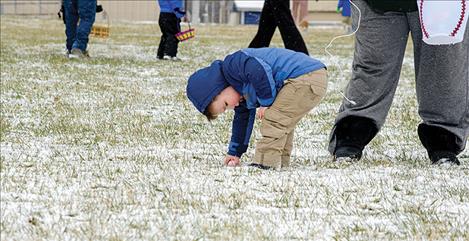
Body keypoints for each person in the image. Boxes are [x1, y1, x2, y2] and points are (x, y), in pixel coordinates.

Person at [328, 0, 469, 165]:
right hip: (375, 4)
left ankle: (444, 140)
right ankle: (351, 135)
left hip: (439, 5)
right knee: (371, 65)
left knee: (443, 70)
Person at [186, 48, 327, 170]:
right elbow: (242, 122)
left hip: (304, 77)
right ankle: (280, 161)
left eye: (226, 104)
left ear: (218, 89)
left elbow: (259, 69)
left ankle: (265, 164)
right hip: (309, 78)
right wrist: (235, 152)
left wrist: (266, 102)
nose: (233, 107)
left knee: (274, 119)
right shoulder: (240, 93)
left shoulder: (233, 65)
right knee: (283, 122)